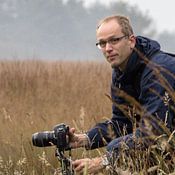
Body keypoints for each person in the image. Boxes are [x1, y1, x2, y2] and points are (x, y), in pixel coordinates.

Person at [69, 15, 175, 174]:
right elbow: (123, 123)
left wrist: (105, 160)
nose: (108, 48)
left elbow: (154, 132)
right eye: (102, 43)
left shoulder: (158, 71)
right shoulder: (121, 72)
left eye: (114, 40)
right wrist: (85, 138)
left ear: (131, 41)